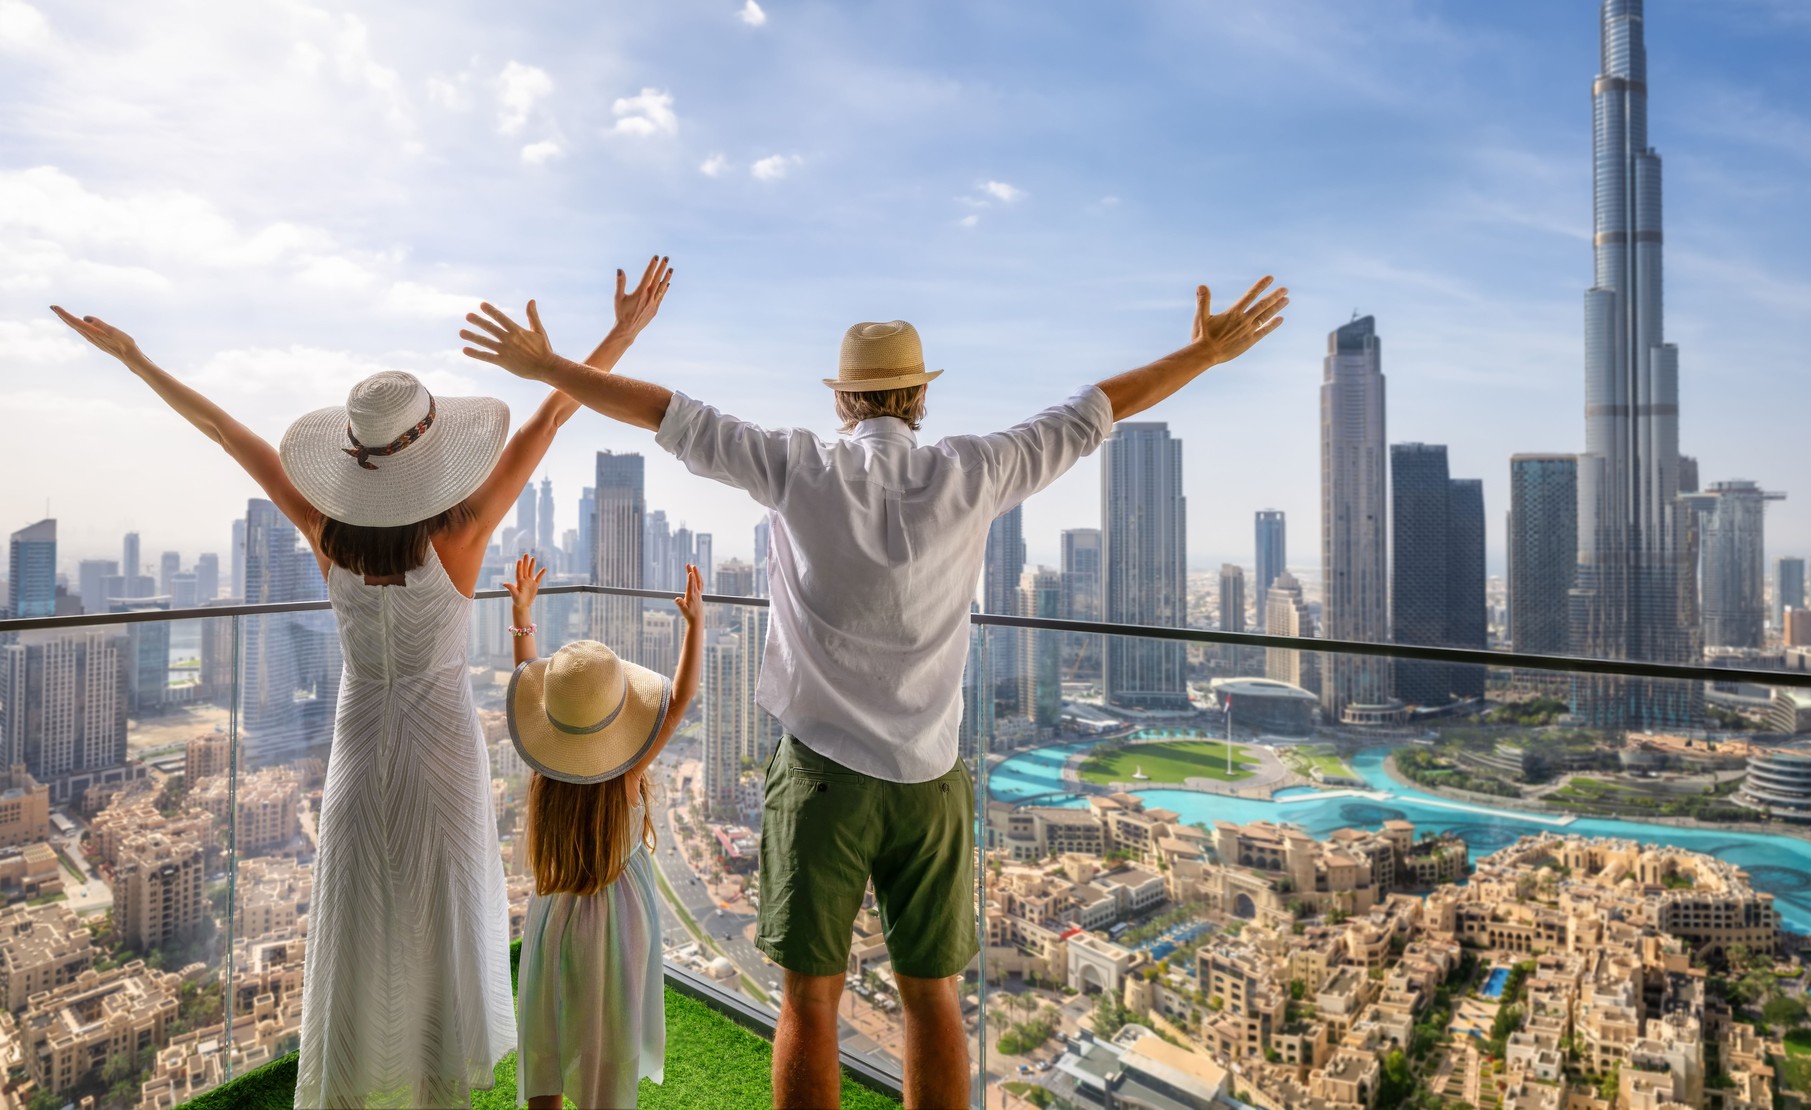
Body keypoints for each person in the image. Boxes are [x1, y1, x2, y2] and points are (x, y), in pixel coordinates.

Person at [464, 275, 1287, 1109]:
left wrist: (550, 366)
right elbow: (1093, 410)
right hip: (931, 781)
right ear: (918, 398)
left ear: (846, 402)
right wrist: (1206, 353)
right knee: (933, 999)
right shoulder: (977, 468)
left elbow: (664, 413)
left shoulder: (799, 466)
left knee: (810, 1003)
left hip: (820, 779)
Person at [50, 255, 673, 1108]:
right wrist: (628, 329)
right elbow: (557, 410)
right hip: (443, 758)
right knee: (440, 930)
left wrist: (134, 359)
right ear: (432, 460)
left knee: (365, 933)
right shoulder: (464, 535)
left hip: (359, 752)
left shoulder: (325, 533)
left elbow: (230, 435)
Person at [502, 554, 703, 1110]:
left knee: (546, 1042)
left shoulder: (547, 778)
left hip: (556, 917)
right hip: (621, 923)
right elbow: (681, 698)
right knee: (609, 1049)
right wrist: (696, 625)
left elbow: (529, 694)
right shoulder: (629, 779)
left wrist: (523, 618)